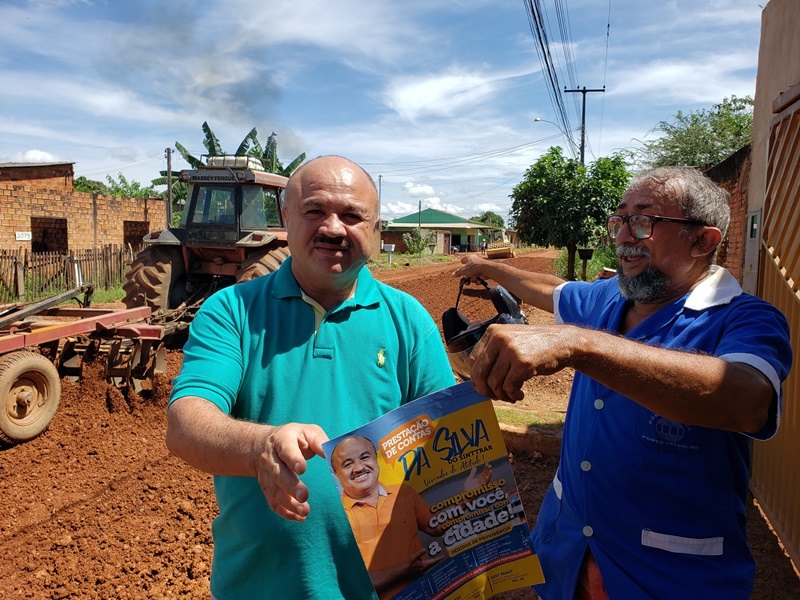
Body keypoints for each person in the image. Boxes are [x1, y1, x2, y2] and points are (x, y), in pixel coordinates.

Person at [452, 166, 792, 599]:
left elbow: (744, 399)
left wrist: (579, 344)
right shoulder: (609, 297)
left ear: (703, 240)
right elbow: (551, 289)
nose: (624, 236)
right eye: (620, 220)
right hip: (565, 558)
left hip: (669, 578)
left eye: (644, 221)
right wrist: (487, 267)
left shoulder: (747, 318)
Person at [166, 155, 456, 599]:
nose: (334, 228)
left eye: (353, 216)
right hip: (260, 588)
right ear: (286, 217)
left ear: (375, 229)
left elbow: (446, 442)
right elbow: (186, 423)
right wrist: (260, 446)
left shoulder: (408, 320)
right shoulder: (231, 312)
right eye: (315, 211)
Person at [330, 435, 444, 599]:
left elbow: (436, 528)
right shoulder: (337, 517)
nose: (359, 467)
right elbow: (349, 583)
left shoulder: (404, 493)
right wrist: (403, 570)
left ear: (376, 459)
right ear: (336, 473)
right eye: (348, 464)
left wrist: (469, 497)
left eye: (365, 457)